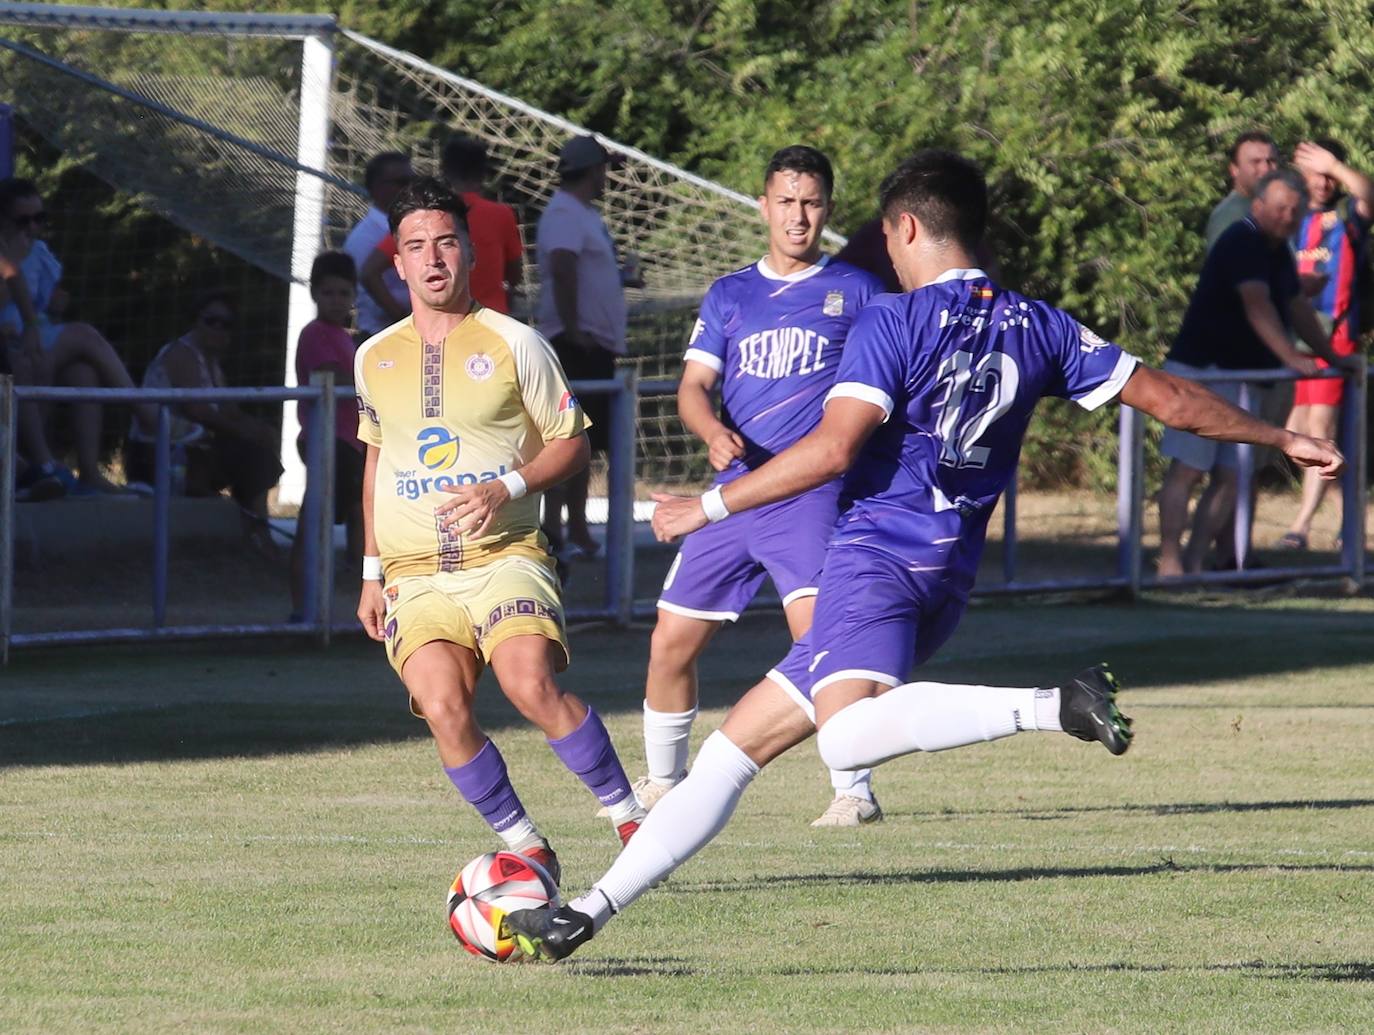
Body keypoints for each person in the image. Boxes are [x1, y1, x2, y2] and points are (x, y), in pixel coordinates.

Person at [503, 149, 1344, 961]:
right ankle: (587, 910)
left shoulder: (893, 318)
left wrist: (710, 503)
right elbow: (1171, 399)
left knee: (844, 743)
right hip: (947, 574)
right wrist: (1280, 436)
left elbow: (834, 451)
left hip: (875, 557)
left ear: (905, 228)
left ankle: (1055, 705)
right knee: (733, 751)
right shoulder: (1040, 323)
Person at [353, 177, 645, 883]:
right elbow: (375, 463)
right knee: (443, 705)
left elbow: (572, 442)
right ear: (397, 261)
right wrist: (369, 571)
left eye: (446, 242)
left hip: (505, 554)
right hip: (416, 573)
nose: (432, 259)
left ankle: (632, 816)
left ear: (469, 252)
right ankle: (526, 844)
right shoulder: (373, 356)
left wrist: (506, 485)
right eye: (416, 246)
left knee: (528, 683)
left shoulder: (518, 343)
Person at [628, 145, 886, 828]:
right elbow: (692, 388)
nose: (798, 216)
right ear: (763, 205)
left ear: (827, 209)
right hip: (733, 492)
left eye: (811, 202)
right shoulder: (730, 293)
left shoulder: (858, 291)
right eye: (786, 201)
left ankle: (853, 787)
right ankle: (661, 783)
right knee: (669, 639)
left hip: (807, 496)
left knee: (822, 640)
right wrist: (711, 430)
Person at [1157, 168, 1347, 576]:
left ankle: (1193, 564)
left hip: (1242, 378)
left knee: (1232, 476)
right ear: (1258, 206)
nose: (1287, 217)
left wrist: (1330, 355)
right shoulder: (1242, 239)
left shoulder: (1277, 249)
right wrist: (1290, 357)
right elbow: (1255, 303)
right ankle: (1168, 562)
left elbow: (1296, 306)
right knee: (1188, 470)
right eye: (1279, 208)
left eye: (1294, 211)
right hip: (1203, 371)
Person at [0, 177, 157, 494]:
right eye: (23, 220)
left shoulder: (37, 252)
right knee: (83, 336)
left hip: (31, 342)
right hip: (10, 348)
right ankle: (146, 414)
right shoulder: (7, 253)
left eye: (38, 218)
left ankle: (88, 471)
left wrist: (52, 309)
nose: (32, 227)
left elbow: (36, 309)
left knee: (82, 371)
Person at [535, 135, 641, 559]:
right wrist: (574, 329)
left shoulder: (581, 215)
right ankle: (556, 528)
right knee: (567, 438)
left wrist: (620, 280)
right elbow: (562, 268)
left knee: (586, 442)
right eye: (603, 169)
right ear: (591, 169)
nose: (606, 177)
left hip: (592, 343)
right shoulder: (563, 213)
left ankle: (575, 527)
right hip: (575, 344)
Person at [126, 290, 283, 554]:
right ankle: (258, 531)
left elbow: (228, 410)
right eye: (212, 321)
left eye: (226, 324)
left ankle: (256, 526)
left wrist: (260, 430)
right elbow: (198, 410)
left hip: (191, 448)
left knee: (257, 444)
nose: (218, 329)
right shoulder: (181, 354)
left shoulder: (212, 365)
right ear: (196, 321)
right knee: (249, 451)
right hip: (157, 454)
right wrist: (246, 432)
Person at [1279, 139, 1373, 550]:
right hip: (1297, 340)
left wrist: (1336, 164)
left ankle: (1299, 528)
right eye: (1313, 173)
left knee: (1320, 433)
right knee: (1293, 432)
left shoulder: (1347, 219)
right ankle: (1353, 518)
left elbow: (1369, 196)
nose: (1321, 182)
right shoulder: (1289, 219)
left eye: (1327, 175)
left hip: (1335, 338)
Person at [360, 135, 524, 317]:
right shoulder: (501, 215)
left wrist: (399, 315)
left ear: (444, 170)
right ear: (483, 173)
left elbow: (369, 272)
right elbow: (514, 276)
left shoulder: (428, 215)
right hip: (492, 322)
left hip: (441, 325)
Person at [289, 251, 365, 621]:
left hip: (348, 441)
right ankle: (309, 606)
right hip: (328, 439)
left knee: (357, 514)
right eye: (328, 293)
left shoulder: (343, 336)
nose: (337, 301)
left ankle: (350, 600)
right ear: (315, 294)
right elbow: (332, 378)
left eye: (343, 293)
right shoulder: (316, 333)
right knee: (322, 521)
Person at [344, 151, 413, 340]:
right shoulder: (363, 238)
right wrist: (407, 317)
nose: (410, 189)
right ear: (376, 188)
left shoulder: (409, 226)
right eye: (401, 182)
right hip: (381, 337)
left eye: (412, 181)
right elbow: (368, 296)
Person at [1205, 131, 1279, 251]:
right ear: (1234, 170)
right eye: (1255, 162)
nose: (1265, 169)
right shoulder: (1229, 216)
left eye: (1271, 161)